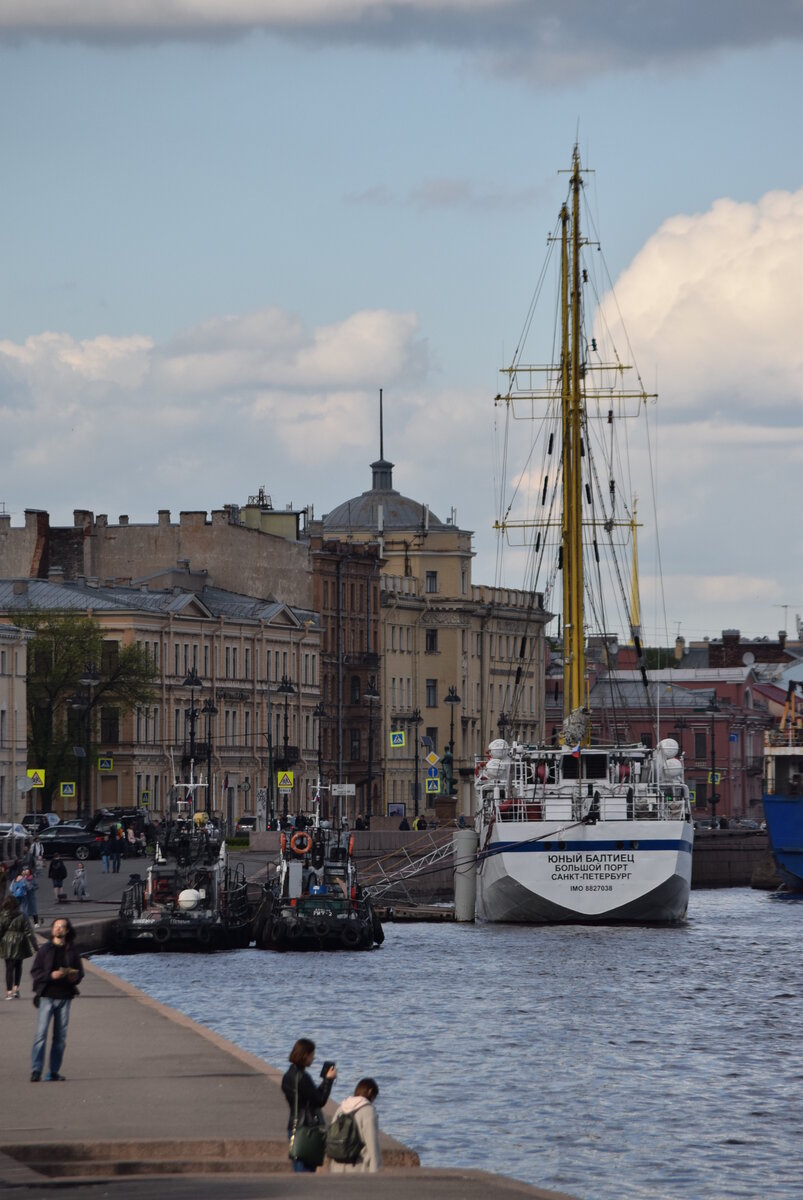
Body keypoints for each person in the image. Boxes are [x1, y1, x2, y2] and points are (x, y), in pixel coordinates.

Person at [30, 916, 83, 1082]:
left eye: (62, 927)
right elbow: (35, 972)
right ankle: (36, 1070)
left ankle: (53, 1072)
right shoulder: (45, 950)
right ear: (52, 930)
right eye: (56, 927)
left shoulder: (72, 951)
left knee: (60, 1038)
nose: (59, 929)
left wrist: (75, 977)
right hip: (47, 996)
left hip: (65, 997)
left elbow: (80, 972)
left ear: (67, 931)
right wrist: (50, 975)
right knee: (41, 1035)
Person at [281, 1038, 337, 1173]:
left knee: (299, 1166)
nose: (313, 1058)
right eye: (312, 1055)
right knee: (305, 1170)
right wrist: (328, 1081)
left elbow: (310, 1097)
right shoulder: (302, 1077)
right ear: (305, 1055)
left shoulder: (289, 1075)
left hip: (293, 1125)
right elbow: (320, 1101)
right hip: (306, 1128)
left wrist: (324, 1082)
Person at [328, 1077, 382, 1174]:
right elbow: (372, 1144)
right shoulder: (368, 1111)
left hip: (336, 1166)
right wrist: (375, 1172)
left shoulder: (342, 1107)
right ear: (370, 1092)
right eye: (374, 1097)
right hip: (358, 1167)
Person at [1, 895, 37, 1000]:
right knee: (18, 966)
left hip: (6, 943)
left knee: (8, 968)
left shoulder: (2, 916)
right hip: (20, 943)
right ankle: (16, 989)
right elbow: (29, 932)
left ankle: (9, 992)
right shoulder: (22, 916)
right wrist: (35, 946)